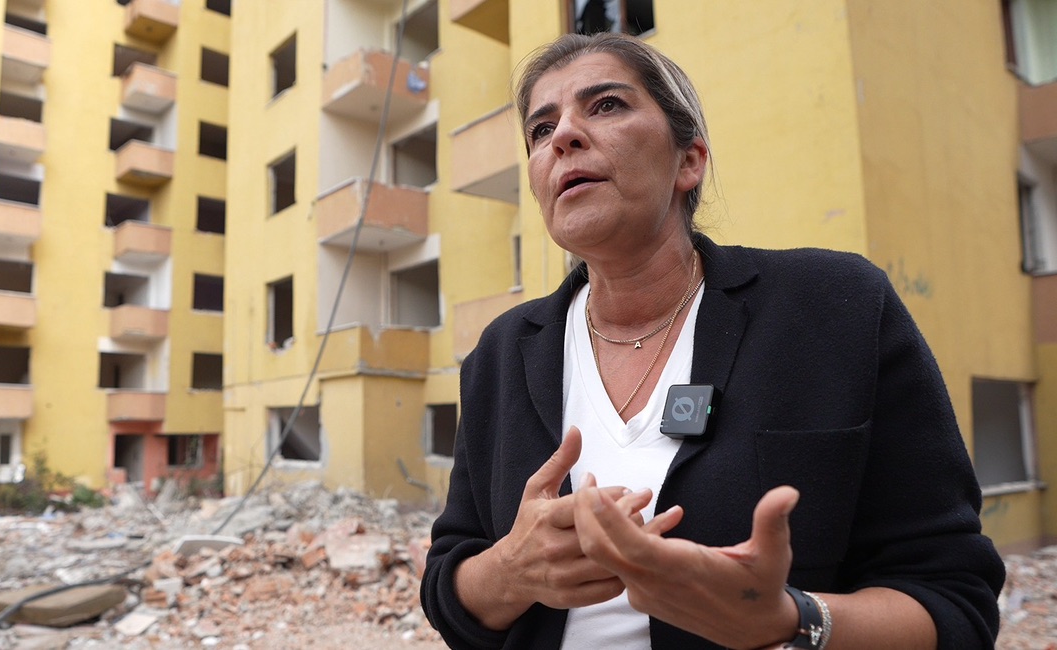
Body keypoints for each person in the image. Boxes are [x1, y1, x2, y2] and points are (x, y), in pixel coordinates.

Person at [420, 32, 1004, 650]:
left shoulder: (837, 308)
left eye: (606, 105)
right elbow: (449, 586)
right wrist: (509, 571)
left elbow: (954, 601)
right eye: (541, 129)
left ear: (689, 160)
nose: (563, 134)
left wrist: (791, 621)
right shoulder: (500, 355)